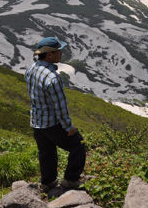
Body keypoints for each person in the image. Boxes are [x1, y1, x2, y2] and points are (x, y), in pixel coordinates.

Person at [25, 36, 86, 192]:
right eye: (59, 51)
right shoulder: (53, 78)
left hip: (37, 121)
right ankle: (71, 180)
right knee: (78, 146)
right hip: (52, 123)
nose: (61, 54)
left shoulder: (31, 69)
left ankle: (48, 182)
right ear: (50, 55)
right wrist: (68, 127)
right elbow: (60, 107)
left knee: (47, 153)